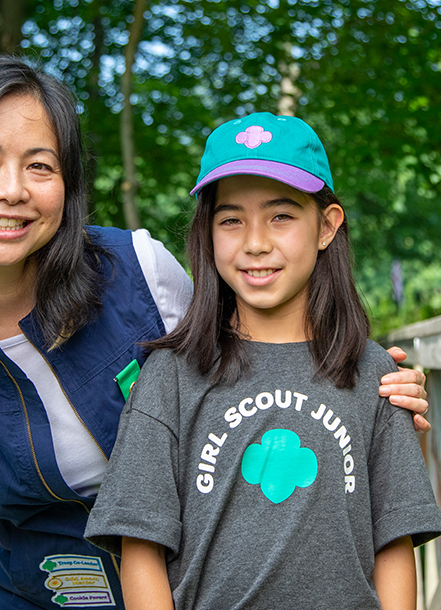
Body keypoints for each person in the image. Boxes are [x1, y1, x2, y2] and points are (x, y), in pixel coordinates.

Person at [0, 55, 427, 610]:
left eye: (40, 165)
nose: (11, 190)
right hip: (40, 593)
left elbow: (257, 358)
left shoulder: (142, 275)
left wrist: (378, 394)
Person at [84, 113, 441, 610]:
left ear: (326, 226)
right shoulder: (170, 377)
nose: (255, 242)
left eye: (281, 216)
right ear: (208, 233)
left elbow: (395, 541)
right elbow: (139, 545)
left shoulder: (377, 375)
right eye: (231, 219)